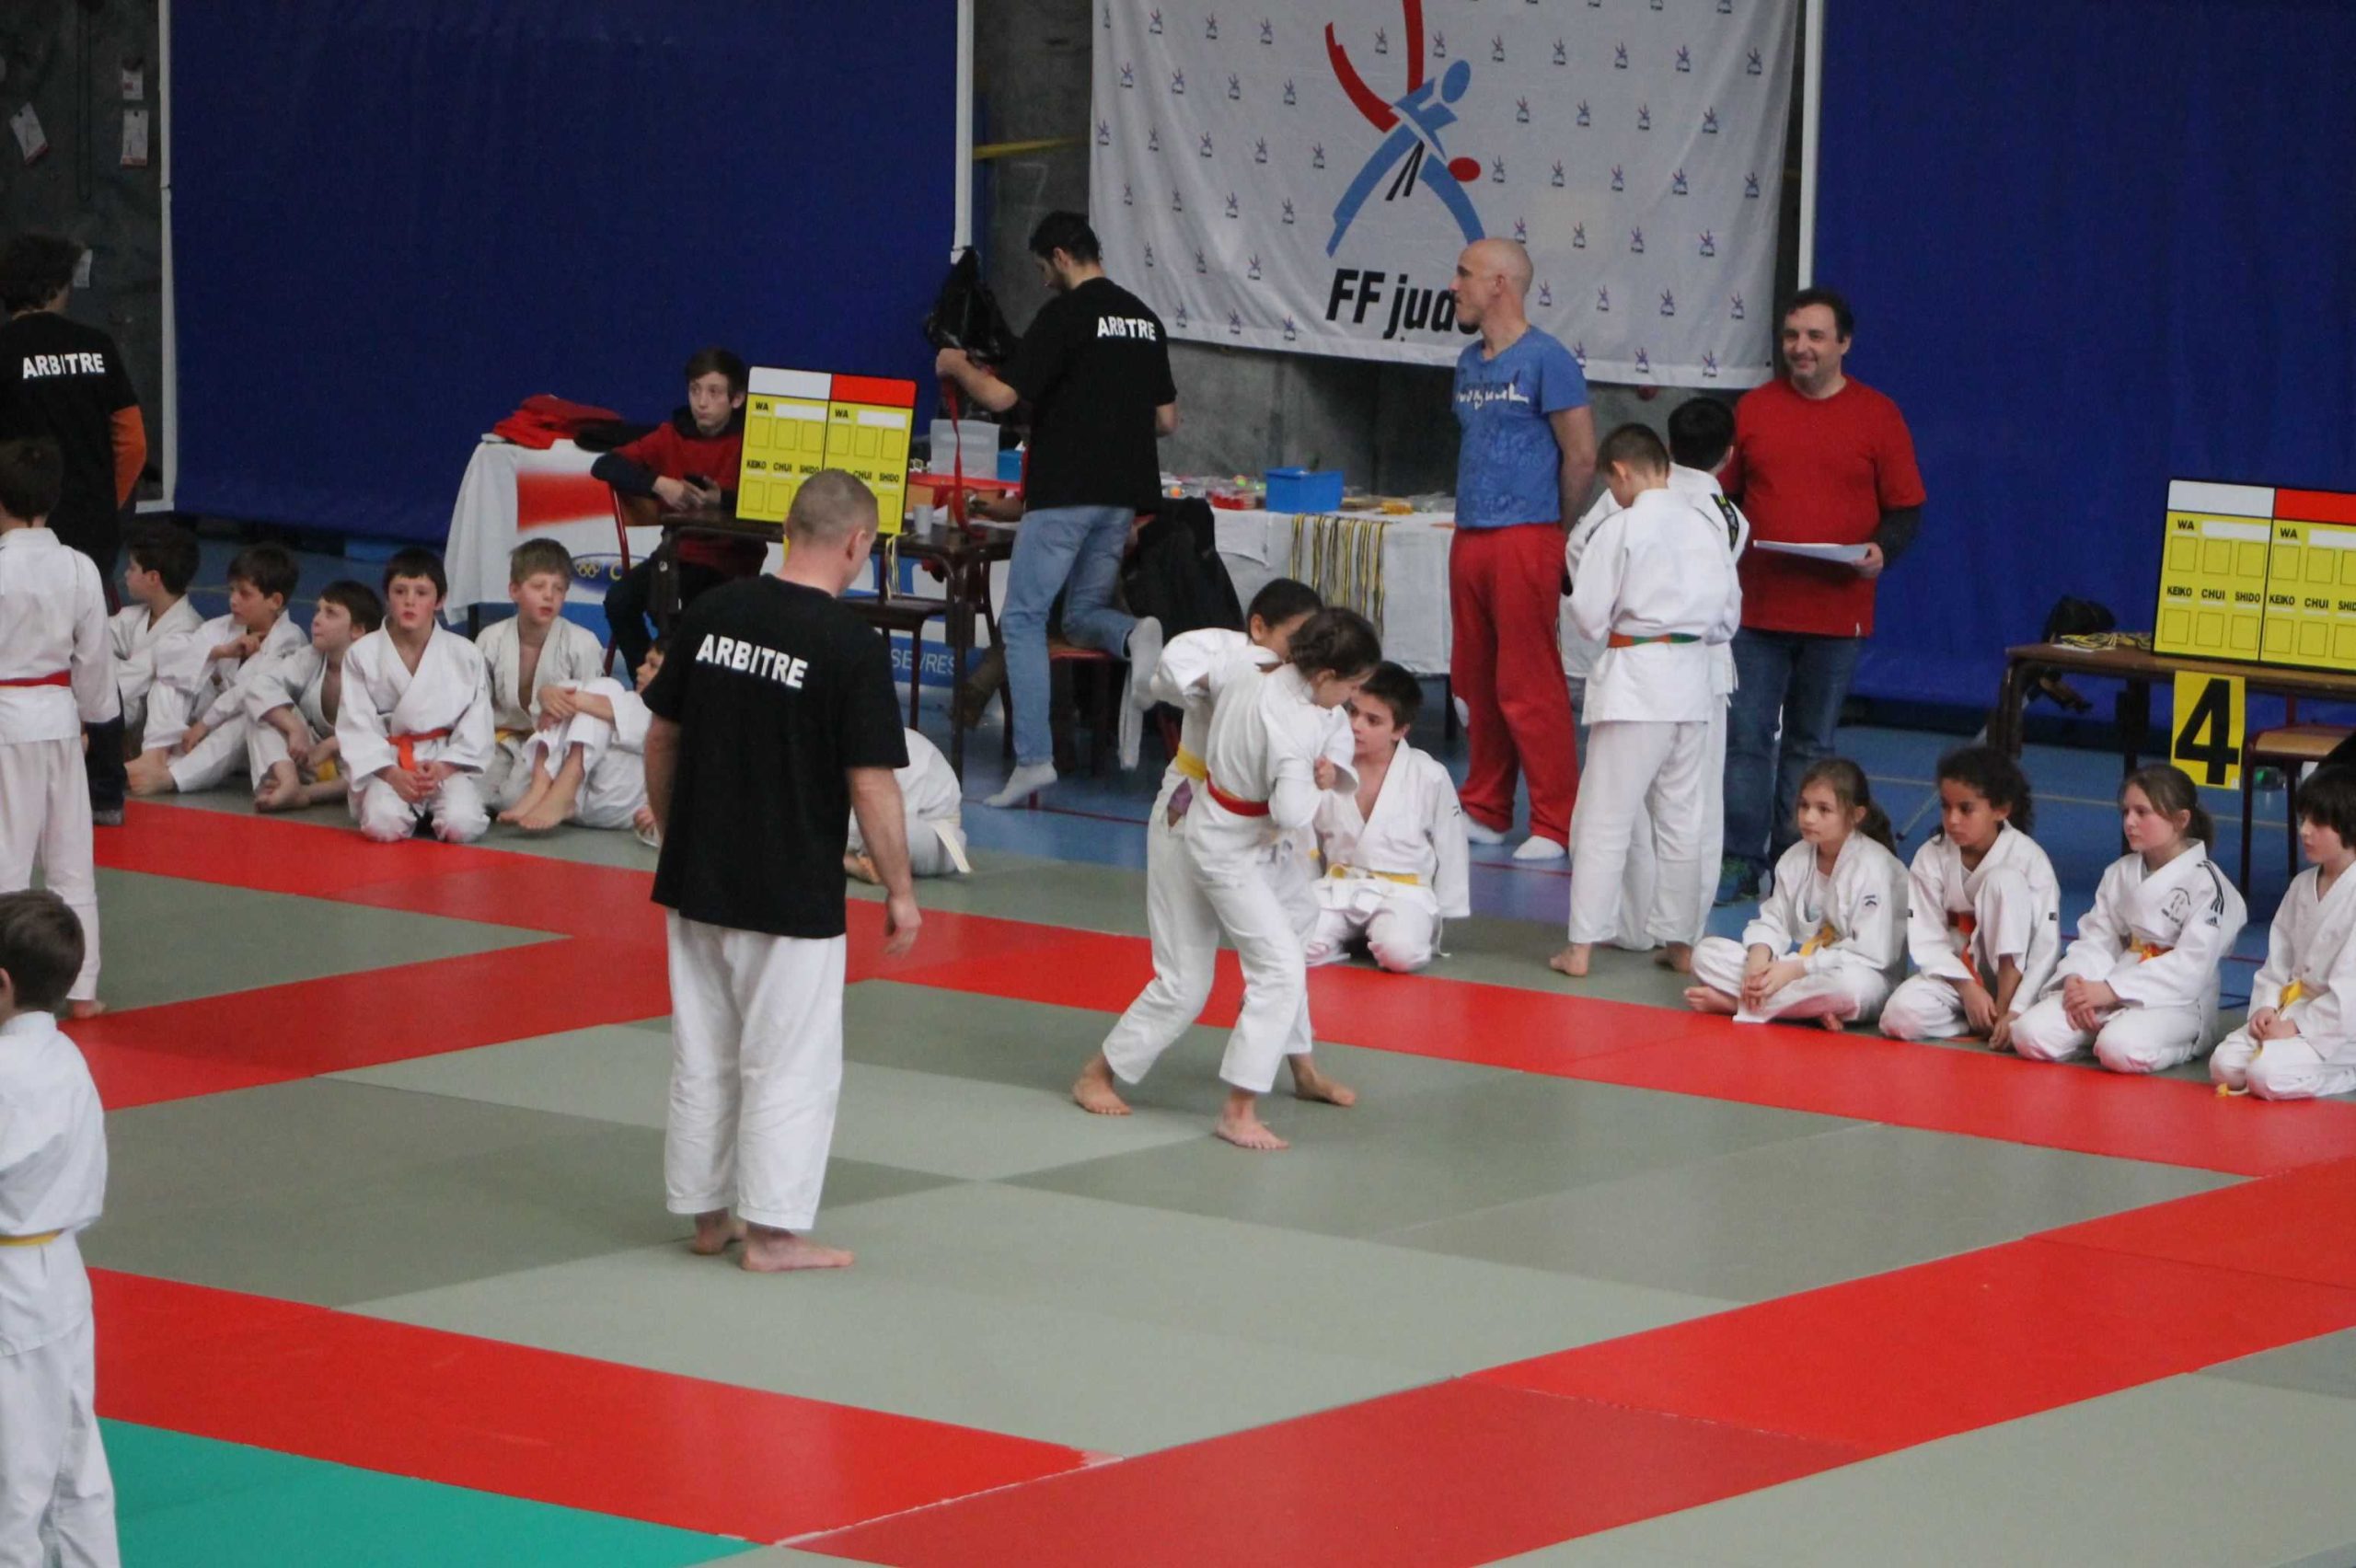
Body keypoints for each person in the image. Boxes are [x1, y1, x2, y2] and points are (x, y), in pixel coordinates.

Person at [641, 469, 919, 1271]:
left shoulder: (715, 611)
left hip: (698, 872)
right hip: (790, 884)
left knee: (705, 1050)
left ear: (787, 528)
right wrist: (901, 890)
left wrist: (673, 832)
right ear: (858, 543)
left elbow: (661, 736)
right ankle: (772, 1235)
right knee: (789, 1062)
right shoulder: (849, 645)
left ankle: (708, 1218)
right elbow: (872, 782)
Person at [1075, 579, 1355, 1118]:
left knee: (1292, 936)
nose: (1305, 651)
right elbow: (1168, 675)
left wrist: (1330, 770)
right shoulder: (1221, 652)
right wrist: (1222, 682)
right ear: (1258, 628)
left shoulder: (1308, 687)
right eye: (1297, 638)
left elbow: (1334, 740)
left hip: (1263, 829)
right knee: (1186, 979)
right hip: (1193, 809)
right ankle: (1099, 1072)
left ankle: (1301, 1066)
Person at [934, 213, 1173, 809]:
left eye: (1043, 267)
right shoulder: (1145, 320)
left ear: (1063, 256)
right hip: (1121, 497)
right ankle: (1133, 633)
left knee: (1022, 621)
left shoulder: (1065, 315)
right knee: (1085, 613)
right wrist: (1108, 413)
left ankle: (1034, 760)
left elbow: (1001, 396)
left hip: (1064, 492)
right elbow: (1167, 420)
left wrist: (956, 365)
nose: (1043, 280)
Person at [1716, 287, 1927, 905]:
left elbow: (1906, 511)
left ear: (1844, 343)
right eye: (1791, 336)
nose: (1800, 347)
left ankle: (1795, 862)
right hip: (1757, 610)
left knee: (1811, 745)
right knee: (1746, 740)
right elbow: (1724, 499)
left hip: (1837, 614)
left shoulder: (1878, 415)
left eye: (1814, 336)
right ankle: (1739, 858)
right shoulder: (1754, 409)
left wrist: (1882, 551)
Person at [1178, 607, 1379, 1150]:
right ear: (1325, 675)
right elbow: (1292, 810)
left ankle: (1301, 1068)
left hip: (1250, 832)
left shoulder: (1252, 664)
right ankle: (1238, 1109)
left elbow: (1194, 676)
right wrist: (1319, 779)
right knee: (1280, 969)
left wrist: (1330, 768)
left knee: (1300, 918)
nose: (1351, 701)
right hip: (1230, 845)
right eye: (1352, 687)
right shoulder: (1294, 722)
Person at [1564, 398, 1750, 961]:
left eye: (1611, 484)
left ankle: (1581, 947)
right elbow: (1728, 621)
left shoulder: (1621, 526)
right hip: (1694, 684)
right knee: (1683, 819)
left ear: (1621, 472)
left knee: (1606, 818)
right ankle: (1680, 942)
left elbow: (1588, 616)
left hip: (1636, 682)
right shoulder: (1715, 524)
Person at [1446, 236, 1595, 862]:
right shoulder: (1468, 362)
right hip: (1471, 533)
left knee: (1528, 682)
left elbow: (1581, 455)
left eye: (1464, 274)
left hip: (1527, 533)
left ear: (1500, 284)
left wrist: (1554, 529)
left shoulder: (1548, 359)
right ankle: (1486, 806)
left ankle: (1557, 821)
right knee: (1476, 679)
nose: (1454, 286)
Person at [0, 235, 145, 829]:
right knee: (94, 653)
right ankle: (106, 789)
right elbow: (132, 440)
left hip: (15, 523)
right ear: (57, 285)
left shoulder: (3, 351)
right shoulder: (98, 346)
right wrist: (106, 505)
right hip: (90, 529)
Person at [0, 890, 118, 1564]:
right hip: (62, 1276)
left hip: (11, 1291)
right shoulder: (65, 1057)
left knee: (11, 1485)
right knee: (74, 1468)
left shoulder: (6, 1075)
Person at [2011, 766, 2246, 1073]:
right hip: (2110, 982)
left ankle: (2186, 1044)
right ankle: (2097, 1033)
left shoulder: (2209, 885)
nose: (2130, 822)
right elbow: (2097, 937)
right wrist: (2078, 982)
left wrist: (2111, 990)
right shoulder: (2121, 873)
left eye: (2142, 812)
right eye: (2126, 812)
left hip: (2177, 1000)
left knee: (2118, 1048)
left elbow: (2192, 965)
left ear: (2181, 820)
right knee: (2029, 1033)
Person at [0, 440, 115, 1020]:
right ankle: (82, 989)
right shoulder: (79, 567)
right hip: (60, 717)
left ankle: (7, 986)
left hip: (5, 721)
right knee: (71, 859)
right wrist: (91, 716)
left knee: (5, 859)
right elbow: (94, 659)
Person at [1685, 757, 1908, 1029]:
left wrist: (1795, 970)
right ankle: (1805, 1009)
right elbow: (1773, 920)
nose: (1809, 817)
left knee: (1847, 988)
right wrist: (1758, 960)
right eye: (1804, 805)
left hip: (1867, 976)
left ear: (1856, 816)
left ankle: (1738, 1004)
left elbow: (1871, 953)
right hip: (1804, 970)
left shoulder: (1877, 867)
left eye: (1823, 809)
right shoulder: (1795, 858)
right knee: (1705, 954)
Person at [594, 348, 759, 674]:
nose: (702, 402)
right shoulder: (671, 434)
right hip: (677, 554)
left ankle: (678, 688)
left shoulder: (753, 439)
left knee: (684, 611)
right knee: (619, 601)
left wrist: (723, 501)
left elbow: (775, 499)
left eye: (714, 392)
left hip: (731, 562)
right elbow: (605, 464)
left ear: (737, 399)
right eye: (695, 390)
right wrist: (659, 484)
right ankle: (651, 683)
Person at [1880, 746, 2061, 1047]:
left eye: (1966, 809)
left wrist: (2014, 1009)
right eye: (1946, 806)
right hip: (1957, 979)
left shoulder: (2029, 859)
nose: (1952, 820)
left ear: (2000, 810)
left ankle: (2003, 1012)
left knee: (2004, 880)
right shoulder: (1931, 856)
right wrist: (1967, 989)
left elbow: (2045, 946)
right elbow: (1928, 938)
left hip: (2018, 986)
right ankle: (1978, 1021)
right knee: (1898, 1017)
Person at [1306, 663, 1470, 974]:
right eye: (1352, 712)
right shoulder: (1327, 767)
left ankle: (1383, 934)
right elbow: (1306, 839)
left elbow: (1451, 844)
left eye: (1373, 720)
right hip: (1338, 886)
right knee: (1294, 943)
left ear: (1400, 730)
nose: (1356, 725)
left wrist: (1447, 908)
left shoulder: (1428, 774)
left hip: (1403, 892)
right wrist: (1302, 887)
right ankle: (1346, 938)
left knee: (1400, 953)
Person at [2212, 767, 2356, 1101]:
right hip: (2292, 1007)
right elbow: (2278, 961)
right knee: (2224, 1066)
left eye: (2317, 823)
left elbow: (2351, 989)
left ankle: (2347, 1070)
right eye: (2303, 819)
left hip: (2341, 1026)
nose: (2304, 831)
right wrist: (2265, 1009)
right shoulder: (2302, 885)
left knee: (2264, 1075)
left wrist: (2296, 1027)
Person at [337, 550, 495, 845]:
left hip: (443, 760)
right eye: (400, 591)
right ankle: (404, 808)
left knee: (463, 826)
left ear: (440, 600)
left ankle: (430, 809)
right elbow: (355, 724)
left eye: (421, 593)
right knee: (382, 826)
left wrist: (442, 768)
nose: (410, 601)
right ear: (387, 596)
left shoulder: (465, 655)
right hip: (388, 763)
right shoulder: (362, 654)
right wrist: (392, 774)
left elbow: (477, 723)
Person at [124, 544, 306, 797]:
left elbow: (252, 691)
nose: (233, 600)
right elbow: (166, 656)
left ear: (275, 601)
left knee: (253, 712)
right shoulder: (222, 627)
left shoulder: (290, 640)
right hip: (200, 736)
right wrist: (220, 652)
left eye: (244, 594)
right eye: (232, 590)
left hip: (245, 742)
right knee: (172, 674)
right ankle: (155, 754)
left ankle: (170, 777)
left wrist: (204, 724)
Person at [476, 539, 608, 813]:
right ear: (514, 590)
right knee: (473, 796)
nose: (549, 596)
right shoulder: (491, 639)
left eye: (558, 589)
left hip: (553, 745)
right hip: (501, 740)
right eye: (538, 586)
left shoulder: (582, 643)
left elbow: (594, 712)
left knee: (512, 800)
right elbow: (475, 706)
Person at [498, 644, 663, 838]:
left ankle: (556, 783)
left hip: (612, 804)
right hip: (573, 798)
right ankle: (542, 786)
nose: (640, 669)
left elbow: (591, 703)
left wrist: (552, 698)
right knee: (590, 697)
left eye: (653, 666)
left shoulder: (663, 717)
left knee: (605, 688)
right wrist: (548, 695)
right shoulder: (625, 700)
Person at [250, 581, 384, 813]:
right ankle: (287, 781)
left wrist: (333, 744)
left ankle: (304, 794)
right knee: (263, 711)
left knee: (379, 761)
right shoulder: (311, 656)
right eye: (318, 611)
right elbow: (259, 686)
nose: (316, 619)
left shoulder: (380, 671)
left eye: (330, 613)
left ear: (357, 630)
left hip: (349, 766)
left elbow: (387, 728)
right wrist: (294, 728)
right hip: (309, 757)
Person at [107, 521, 202, 748]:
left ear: (153, 578)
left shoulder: (188, 630)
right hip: (127, 713)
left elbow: (130, 679)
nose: (125, 574)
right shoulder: (135, 616)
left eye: (132, 568)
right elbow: (91, 639)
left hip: (169, 735)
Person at [845, 728, 968, 882]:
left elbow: (869, 818)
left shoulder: (871, 749)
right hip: (888, 823)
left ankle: (848, 861)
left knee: (887, 833)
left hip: (935, 832)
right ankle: (854, 861)